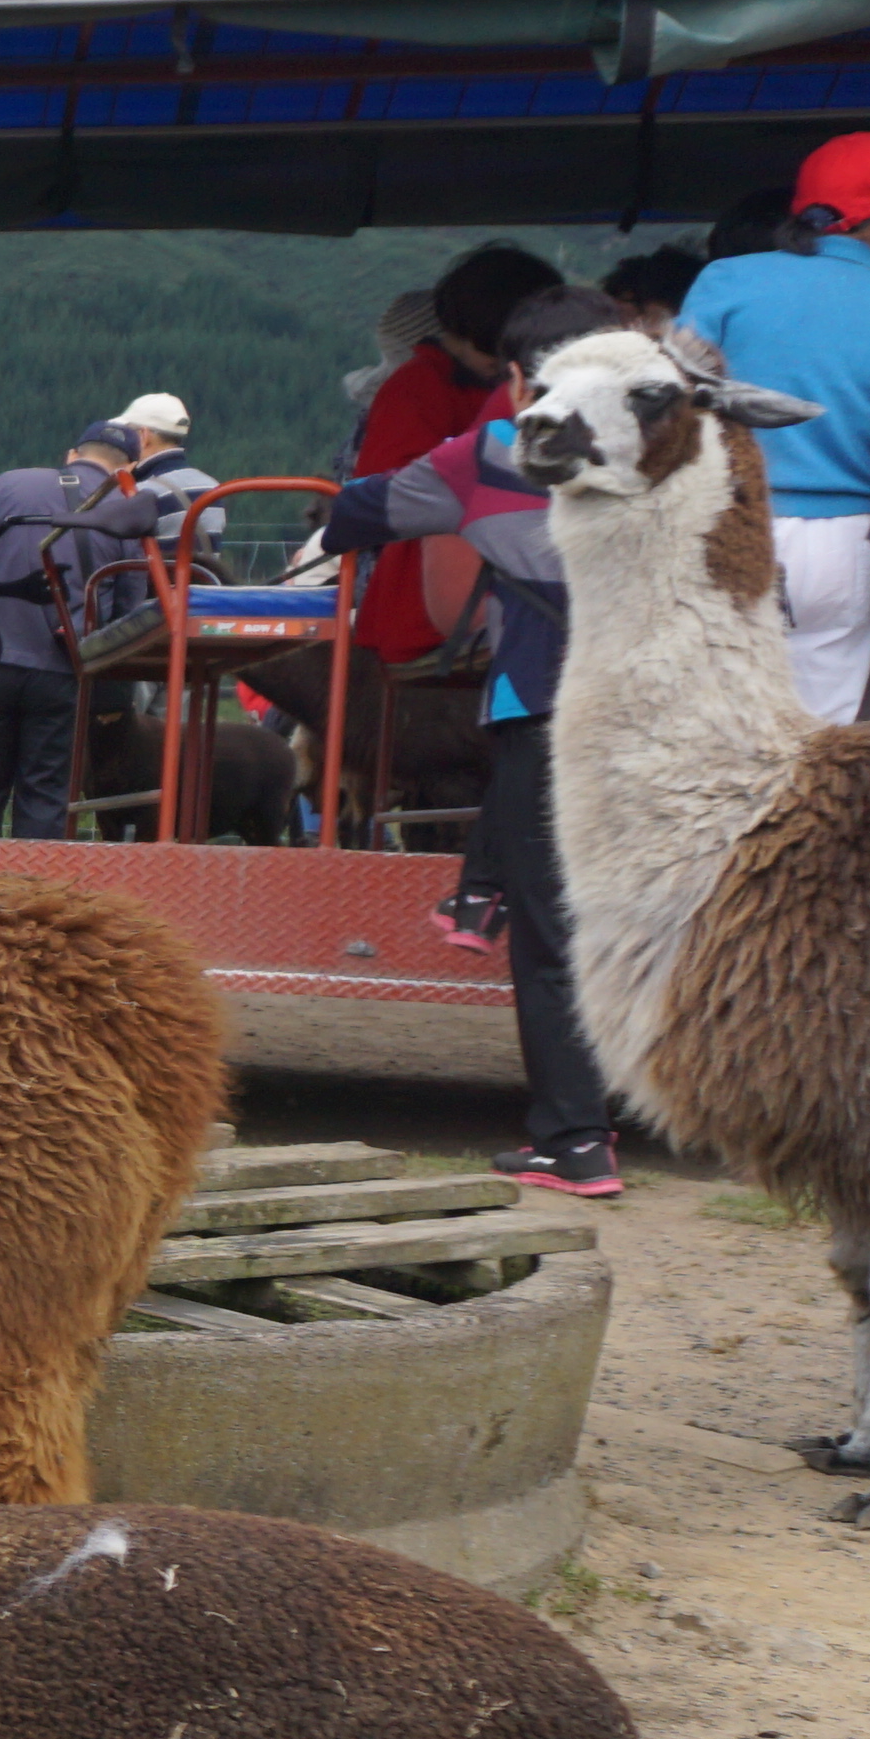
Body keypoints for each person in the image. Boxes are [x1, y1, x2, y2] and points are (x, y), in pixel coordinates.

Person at [333, 295, 622, 1196]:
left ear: (517, 379)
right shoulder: (676, 448)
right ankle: (477, 892)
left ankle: (575, 1139)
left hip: (548, 705)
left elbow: (364, 512)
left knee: (553, 937)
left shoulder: (489, 454)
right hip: (658, 712)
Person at [677, 132, 870, 725]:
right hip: (841, 541)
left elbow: (674, 397)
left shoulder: (727, 280)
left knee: (714, 732)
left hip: (725, 523)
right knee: (821, 748)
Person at [0, 421, 214, 839]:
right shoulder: (126, 503)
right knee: (46, 791)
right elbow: (128, 605)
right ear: (128, 466)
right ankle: (35, 891)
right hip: (63, 667)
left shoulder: (9, 484)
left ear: (72, 455)